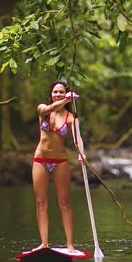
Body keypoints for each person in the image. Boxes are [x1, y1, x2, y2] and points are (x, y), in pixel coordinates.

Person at [32, 79, 86, 251]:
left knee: (64, 203)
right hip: (40, 160)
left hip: (60, 161)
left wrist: (82, 153)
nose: (58, 94)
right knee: (41, 203)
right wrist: (67, 100)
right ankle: (44, 244)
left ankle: (70, 244)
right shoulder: (43, 109)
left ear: (66, 93)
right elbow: (49, 109)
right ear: (50, 94)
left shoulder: (71, 117)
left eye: (61, 92)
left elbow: (78, 139)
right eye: (55, 92)